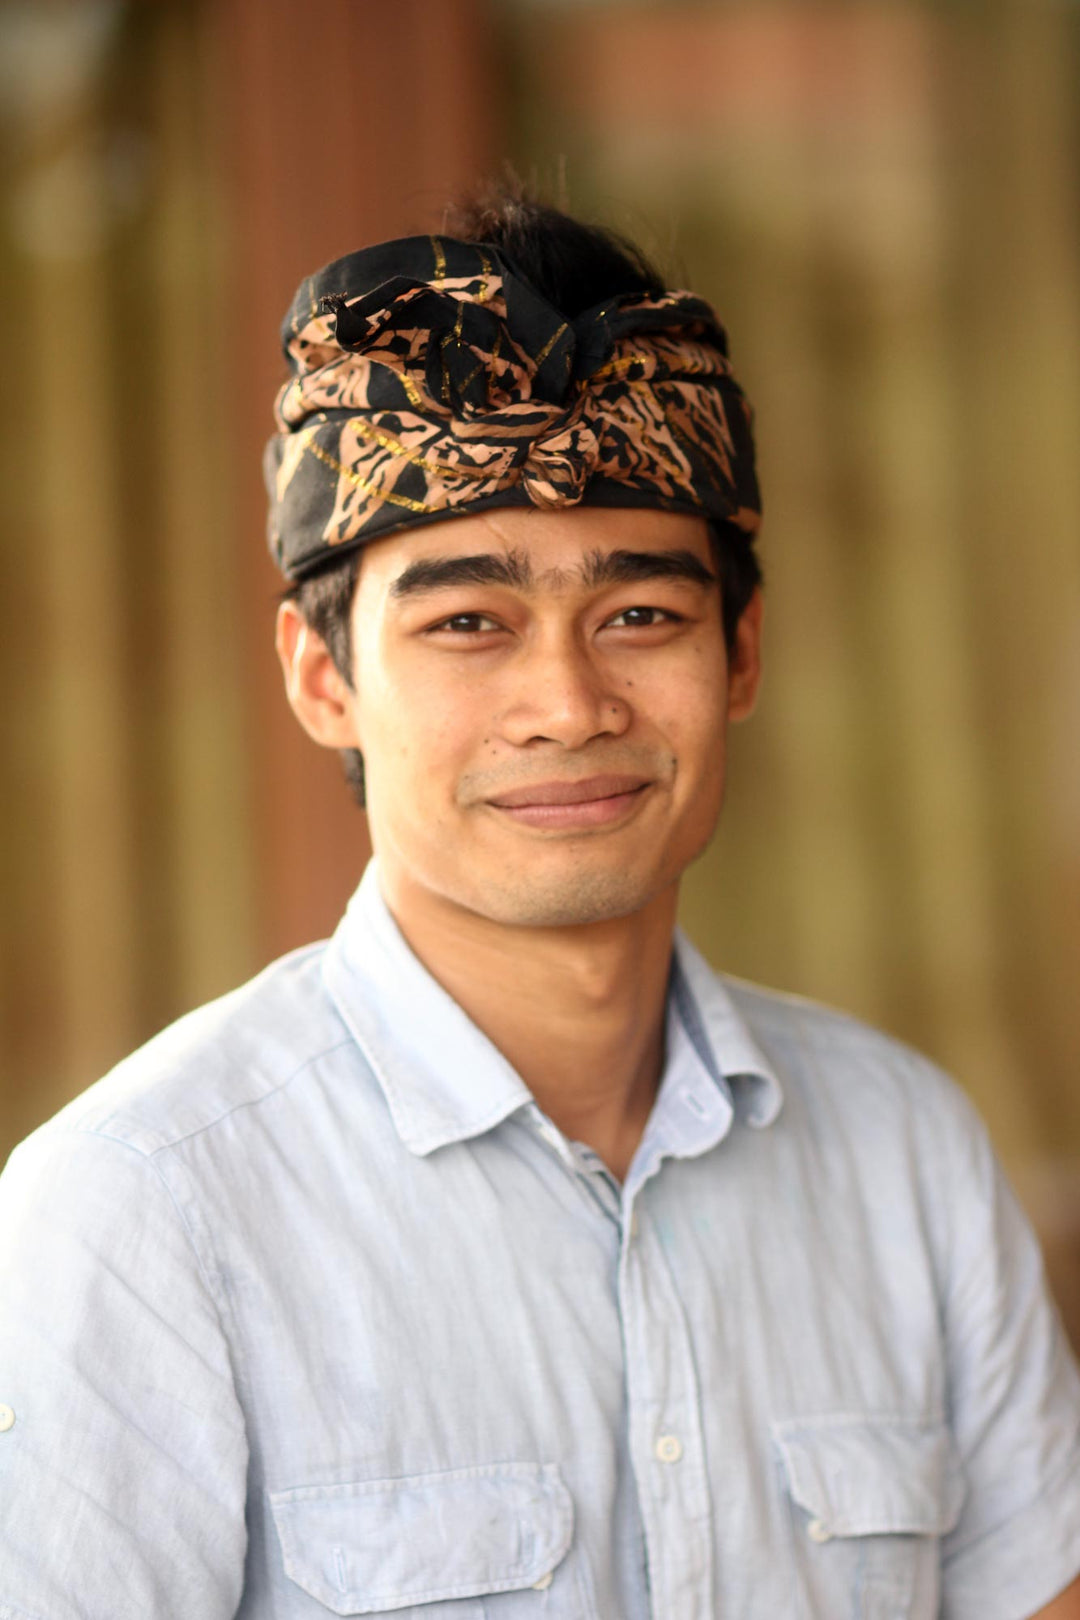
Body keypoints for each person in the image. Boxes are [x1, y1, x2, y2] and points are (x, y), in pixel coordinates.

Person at [1, 192, 1078, 1620]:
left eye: (640, 614)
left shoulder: (905, 1155)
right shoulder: (144, 1212)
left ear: (741, 651)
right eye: (466, 623)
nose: (569, 705)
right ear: (323, 679)